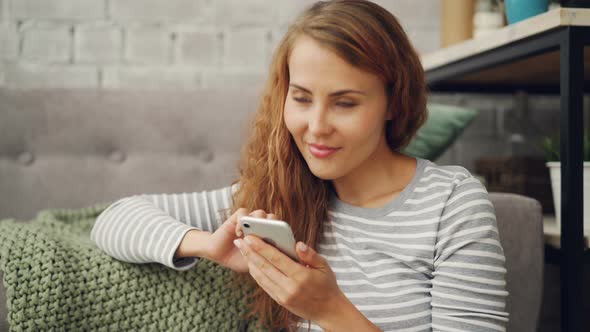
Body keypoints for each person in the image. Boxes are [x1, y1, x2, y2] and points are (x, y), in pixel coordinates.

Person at [90, 1, 509, 331]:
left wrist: (331, 311)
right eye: (303, 98)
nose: (316, 127)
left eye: (345, 102)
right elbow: (113, 220)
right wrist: (205, 245)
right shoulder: (280, 193)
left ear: (392, 103)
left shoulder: (452, 204)